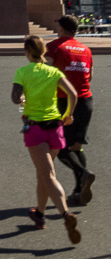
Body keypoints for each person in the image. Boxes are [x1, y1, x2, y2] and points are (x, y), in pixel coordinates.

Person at [12, 35, 81, 243]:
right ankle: (39, 214)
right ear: (43, 51)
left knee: (48, 174)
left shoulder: (22, 72)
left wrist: (23, 99)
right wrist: (68, 114)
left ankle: (65, 214)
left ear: (27, 51)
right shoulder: (54, 71)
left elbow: (15, 97)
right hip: (55, 127)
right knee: (43, 173)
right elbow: (73, 94)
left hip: (36, 128)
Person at [46, 14, 95, 206]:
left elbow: (46, 73)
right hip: (86, 101)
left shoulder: (54, 46)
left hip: (63, 101)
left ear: (61, 28)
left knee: (61, 147)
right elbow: (89, 77)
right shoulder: (86, 49)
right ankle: (78, 190)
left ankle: (83, 174)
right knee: (76, 146)